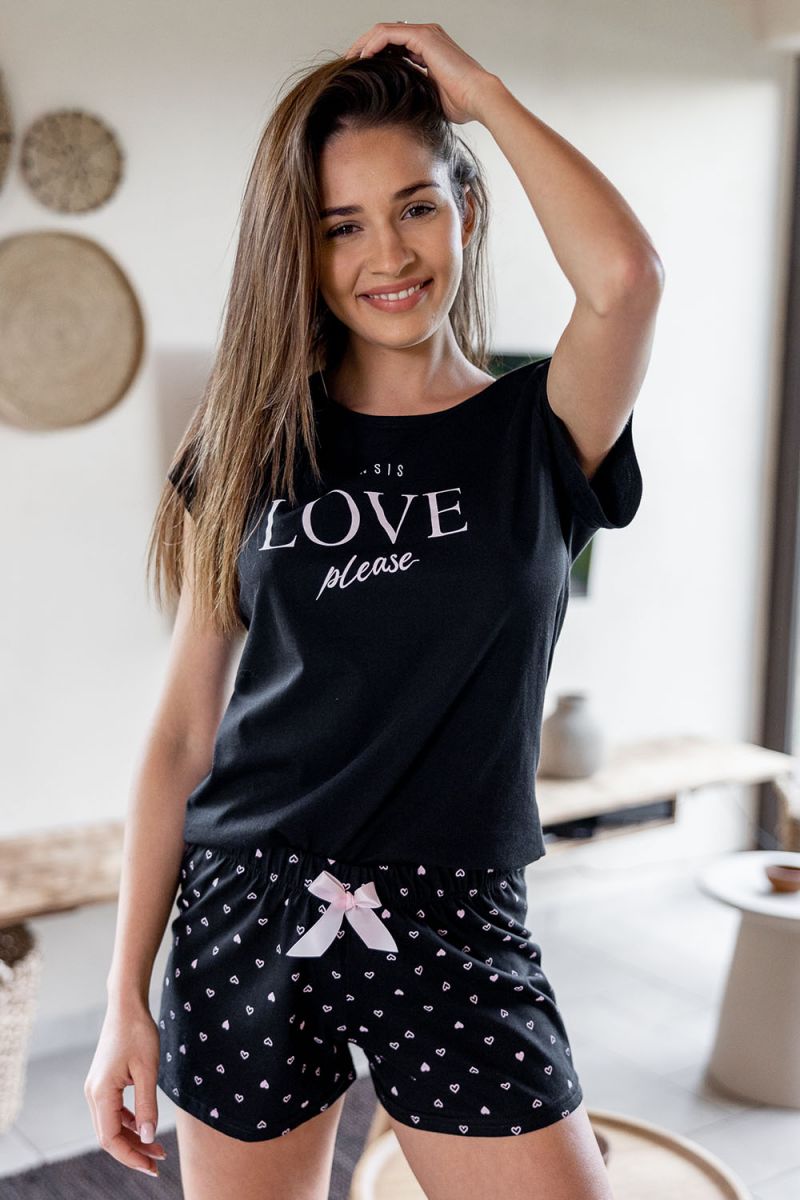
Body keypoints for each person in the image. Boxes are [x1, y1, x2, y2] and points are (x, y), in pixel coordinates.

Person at [84, 20, 662, 1200]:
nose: (385, 253)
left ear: (466, 212)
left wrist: (479, 92)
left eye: (415, 207)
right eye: (339, 224)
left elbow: (623, 279)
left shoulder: (539, 427)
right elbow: (184, 734)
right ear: (298, 250)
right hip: (248, 907)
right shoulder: (249, 440)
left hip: (458, 917)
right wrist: (121, 997)